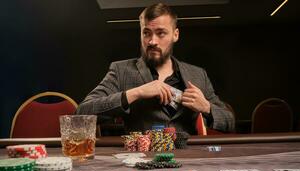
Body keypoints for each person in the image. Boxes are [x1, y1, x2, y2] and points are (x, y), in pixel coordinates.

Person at [76, 3, 234, 134]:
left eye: (161, 33)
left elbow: (230, 122)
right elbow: (81, 114)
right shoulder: (120, 70)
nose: (152, 41)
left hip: (188, 160)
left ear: (175, 35)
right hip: (141, 160)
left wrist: (206, 107)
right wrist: (136, 93)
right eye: (146, 33)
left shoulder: (198, 74)